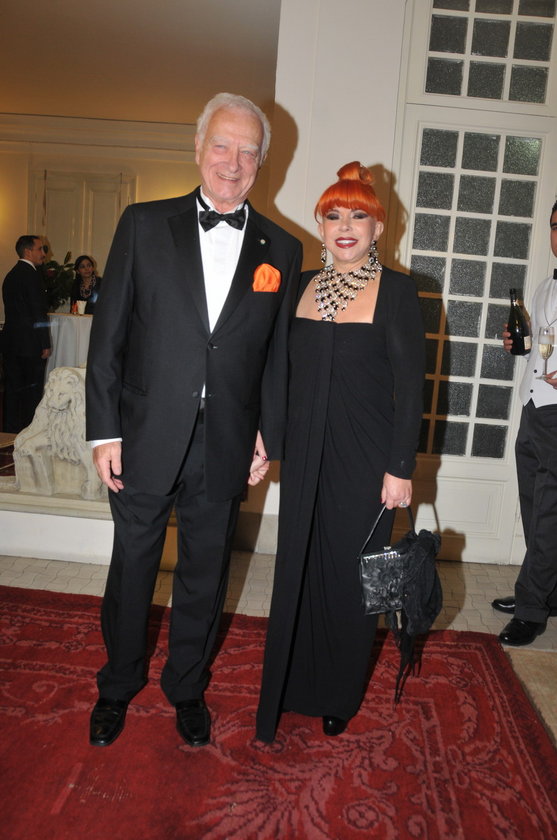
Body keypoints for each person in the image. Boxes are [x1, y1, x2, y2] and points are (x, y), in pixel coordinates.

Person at [85, 92, 302, 749]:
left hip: (227, 439)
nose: (232, 162)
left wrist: (267, 434)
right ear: (199, 147)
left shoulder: (283, 248)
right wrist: (104, 430)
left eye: (247, 151)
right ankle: (117, 685)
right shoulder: (143, 223)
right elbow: (108, 336)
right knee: (133, 566)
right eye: (222, 145)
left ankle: (186, 687)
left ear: (262, 162)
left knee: (206, 575)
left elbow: (276, 355)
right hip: (144, 433)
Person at [256, 162, 425, 742]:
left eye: (358, 216)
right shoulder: (300, 284)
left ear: (379, 227)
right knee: (297, 568)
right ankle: (290, 685)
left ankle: (337, 694)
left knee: (350, 580)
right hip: (306, 454)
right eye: (333, 216)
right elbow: (277, 370)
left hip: (366, 461)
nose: (345, 226)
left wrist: (400, 468)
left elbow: (411, 389)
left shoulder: (398, 291)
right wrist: (266, 438)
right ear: (320, 225)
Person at [493, 200, 557, 646]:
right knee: (535, 508)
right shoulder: (544, 286)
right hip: (533, 407)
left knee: (550, 515)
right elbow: (540, 345)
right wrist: (519, 343)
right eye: (555, 226)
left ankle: (532, 608)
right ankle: (546, 592)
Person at [1, 236, 51, 433]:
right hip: (30, 344)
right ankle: (30, 433)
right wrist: (45, 343)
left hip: (10, 342)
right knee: (32, 392)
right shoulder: (32, 276)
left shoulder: (11, 275)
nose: (44, 253)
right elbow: (37, 312)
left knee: (12, 391)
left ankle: (9, 432)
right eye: (40, 249)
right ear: (28, 252)